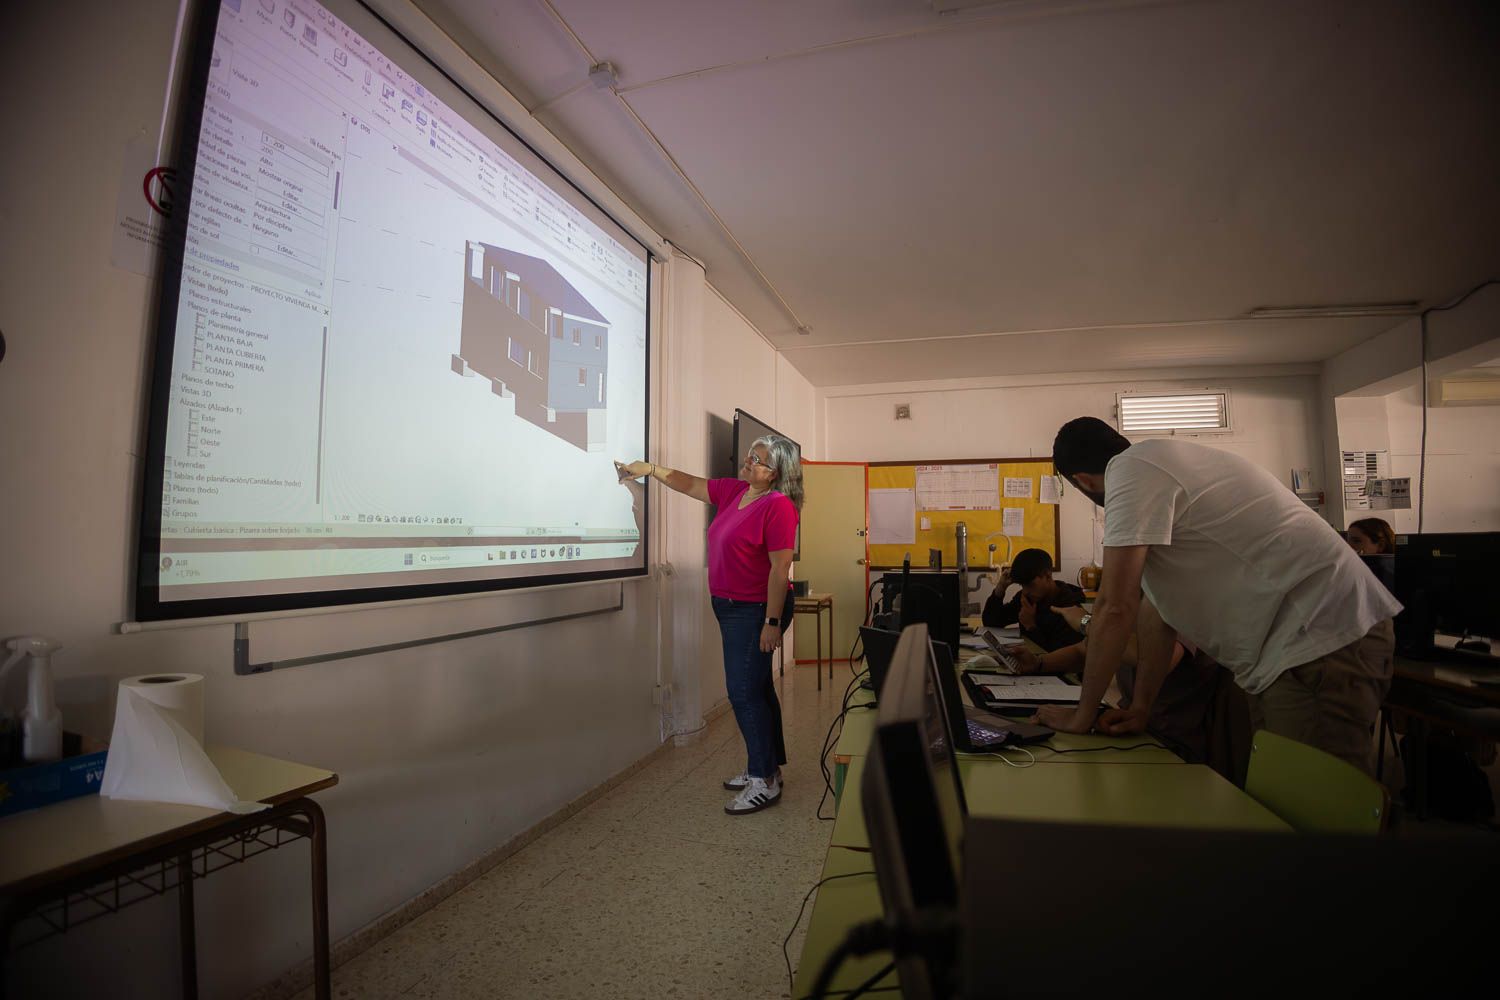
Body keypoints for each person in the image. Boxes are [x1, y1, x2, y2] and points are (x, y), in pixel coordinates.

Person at [1037, 417, 1402, 776]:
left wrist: (1082, 716)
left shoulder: (1130, 472)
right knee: (1280, 793)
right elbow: (1157, 612)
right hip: (1292, 650)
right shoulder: (1156, 469)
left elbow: (1114, 607)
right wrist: (1142, 706)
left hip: (1319, 637)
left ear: (1082, 481)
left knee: (1318, 809)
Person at [616, 435, 803, 815]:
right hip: (730, 606)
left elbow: (781, 568)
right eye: (751, 454)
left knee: (743, 693)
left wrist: (770, 621)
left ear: (776, 474)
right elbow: (688, 483)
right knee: (759, 689)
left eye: (759, 459)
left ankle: (762, 780)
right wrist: (649, 470)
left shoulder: (779, 507)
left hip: (755, 610)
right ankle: (768, 768)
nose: (749, 461)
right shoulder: (736, 491)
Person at [982, 548, 1087, 650]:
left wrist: (1031, 627)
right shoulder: (1027, 598)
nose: (1025, 591)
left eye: (1030, 585)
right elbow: (991, 622)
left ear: (1047, 575)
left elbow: (1060, 656)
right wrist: (1000, 588)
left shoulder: (1071, 607)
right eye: (1022, 585)